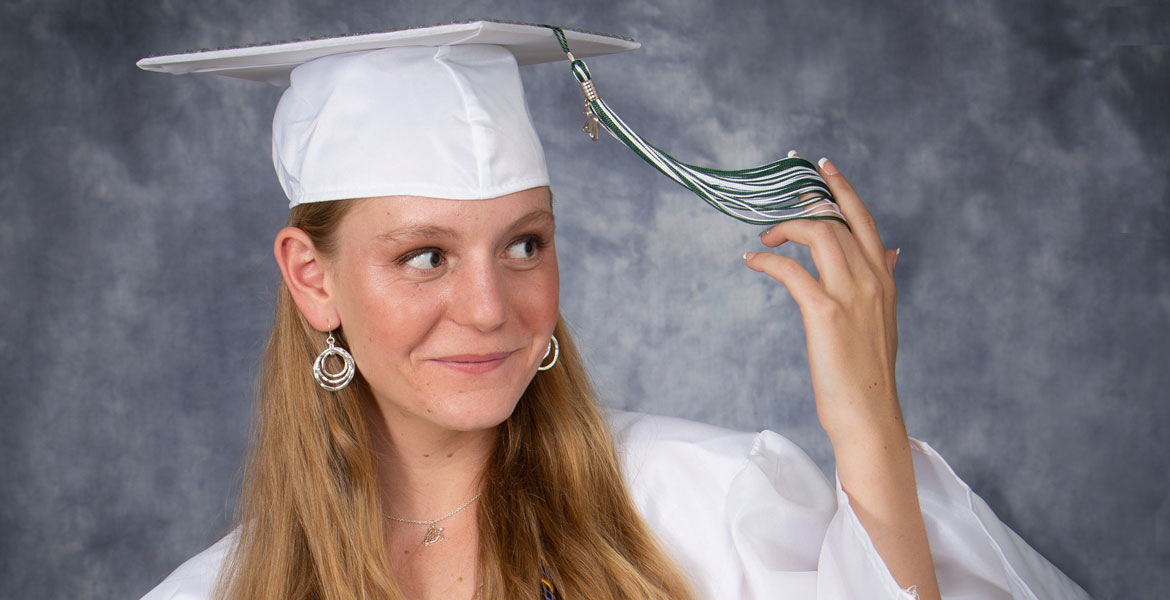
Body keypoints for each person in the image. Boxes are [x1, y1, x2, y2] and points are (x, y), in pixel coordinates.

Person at [136, 21, 1090, 600]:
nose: (489, 308)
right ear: (313, 279)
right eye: (425, 256)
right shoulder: (215, 591)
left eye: (524, 244)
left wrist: (867, 425)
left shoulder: (700, 501)